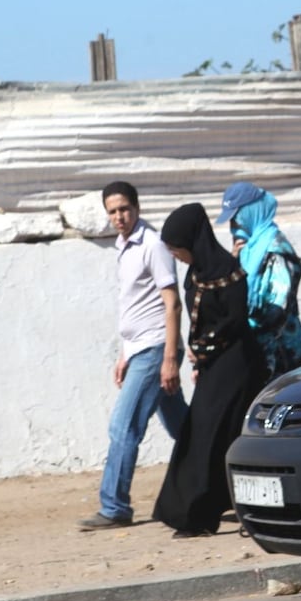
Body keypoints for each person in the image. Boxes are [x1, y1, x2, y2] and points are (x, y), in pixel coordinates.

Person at [78, 181, 188, 532]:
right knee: (185, 429)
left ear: (137, 208)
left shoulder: (152, 245)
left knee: (123, 427)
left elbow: (171, 302)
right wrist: (124, 353)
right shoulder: (123, 246)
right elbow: (134, 304)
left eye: (124, 209)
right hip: (140, 349)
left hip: (156, 349)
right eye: (112, 211)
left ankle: (115, 507)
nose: (118, 217)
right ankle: (220, 485)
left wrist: (169, 357)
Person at [153, 202, 268, 538]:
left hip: (237, 367)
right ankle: (191, 515)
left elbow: (232, 323)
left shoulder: (228, 272)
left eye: (178, 248)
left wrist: (201, 350)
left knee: (225, 439)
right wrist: (199, 355)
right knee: (200, 437)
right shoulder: (197, 273)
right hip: (213, 369)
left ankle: (233, 515)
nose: (175, 256)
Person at [215, 182, 301, 381]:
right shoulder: (249, 250)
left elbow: (276, 308)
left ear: (251, 212)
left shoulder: (276, 249)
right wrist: (233, 264)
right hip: (259, 350)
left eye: (236, 219)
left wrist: (240, 327)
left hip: (282, 351)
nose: (234, 227)